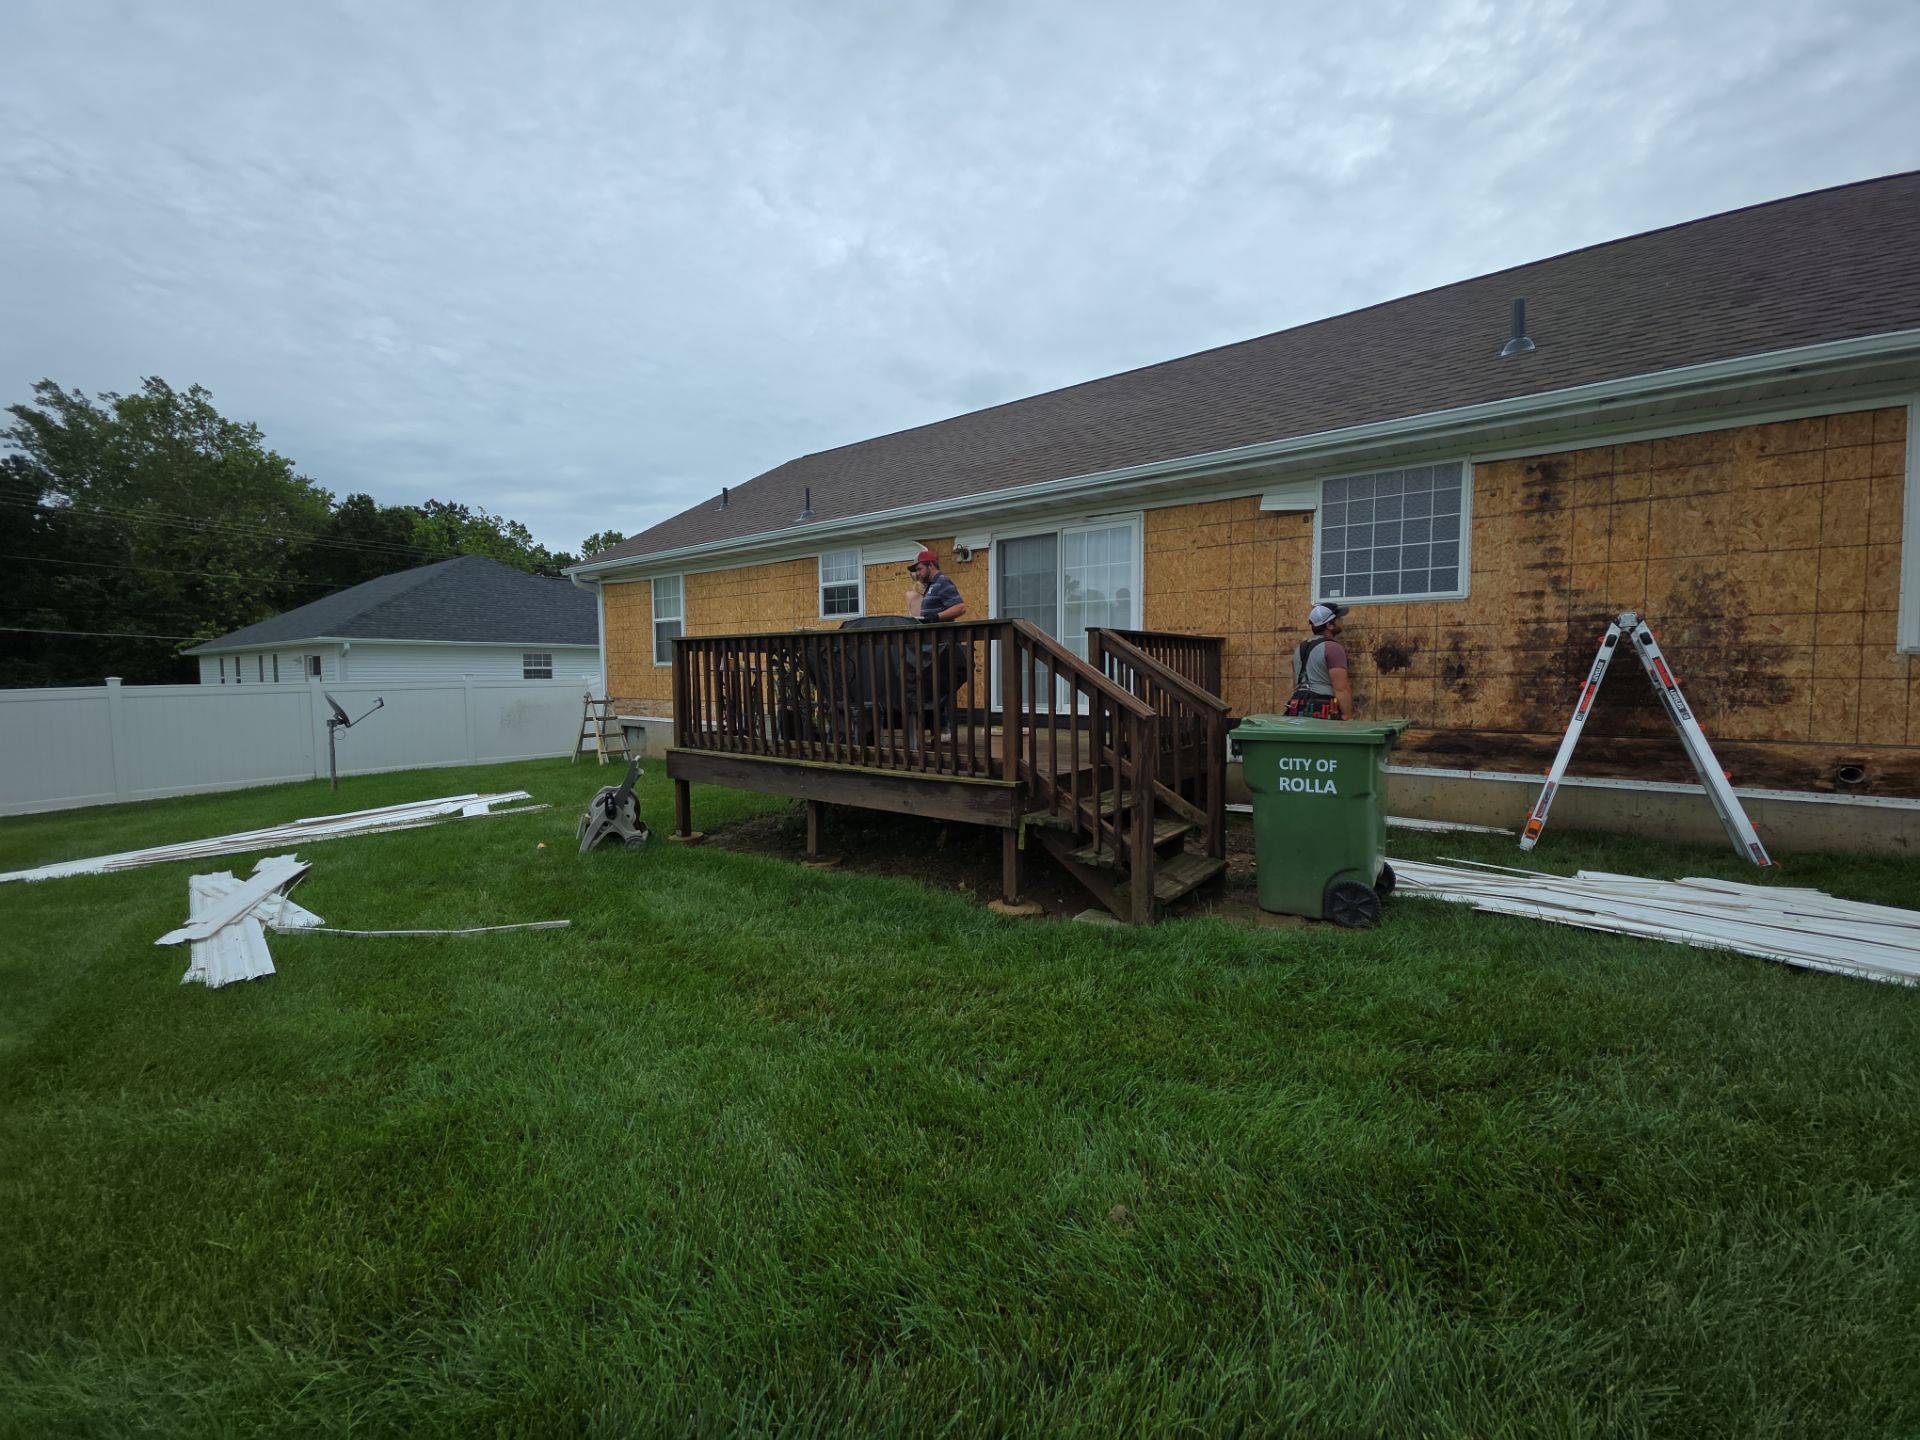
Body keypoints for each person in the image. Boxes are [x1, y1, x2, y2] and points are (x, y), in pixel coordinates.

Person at [1284, 602, 1352, 719]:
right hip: (1322, 708)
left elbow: (1297, 684)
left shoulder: (1299, 649)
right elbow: (1341, 688)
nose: (1342, 621)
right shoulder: (1333, 648)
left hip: (1297, 707)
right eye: (1338, 619)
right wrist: (1347, 716)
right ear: (1329, 625)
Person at [906, 549, 966, 623]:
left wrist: (937, 616)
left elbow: (960, 608)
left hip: (943, 633)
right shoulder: (931, 585)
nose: (917, 573)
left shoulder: (942, 582)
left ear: (931, 565)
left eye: (919, 569)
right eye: (916, 570)